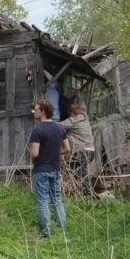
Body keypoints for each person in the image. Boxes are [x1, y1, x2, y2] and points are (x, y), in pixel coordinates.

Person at [29, 99, 70, 238]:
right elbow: (67, 148)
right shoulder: (60, 128)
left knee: (43, 200)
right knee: (57, 199)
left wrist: (34, 158)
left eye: (36, 109)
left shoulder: (38, 130)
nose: (34, 112)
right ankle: (62, 230)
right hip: (55, 168)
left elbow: (35, 153)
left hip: (41, 169)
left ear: (43, 111)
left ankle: (46, 231)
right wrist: (54, 153)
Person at [60, 104, 96, 196]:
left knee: (78, 171)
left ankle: (87, 193)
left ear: (71, 113)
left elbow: (57, 125)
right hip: (91, 151)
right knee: (82, 171)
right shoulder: (85, 119)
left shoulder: (73, 120)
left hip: (81, 151)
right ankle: (85, 192)